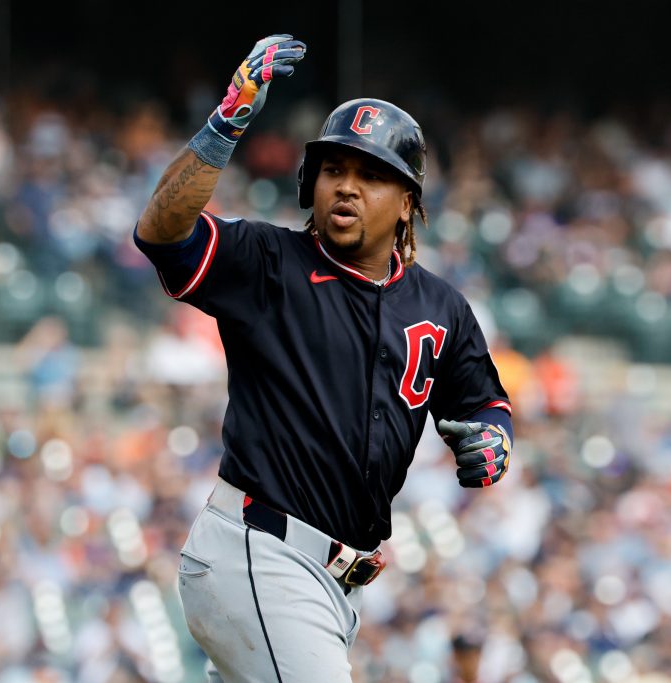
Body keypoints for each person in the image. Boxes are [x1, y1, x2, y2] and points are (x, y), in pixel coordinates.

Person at [134, 34, 513, 683]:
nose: (347, 187)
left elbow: (483, 402)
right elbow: (162, 233)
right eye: (335, 170)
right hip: (260, 555)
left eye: (372, 175)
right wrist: (226, 123)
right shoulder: (269, 263)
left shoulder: (441, 306)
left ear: (408, 202)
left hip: (335, 585)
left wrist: (492, 437)